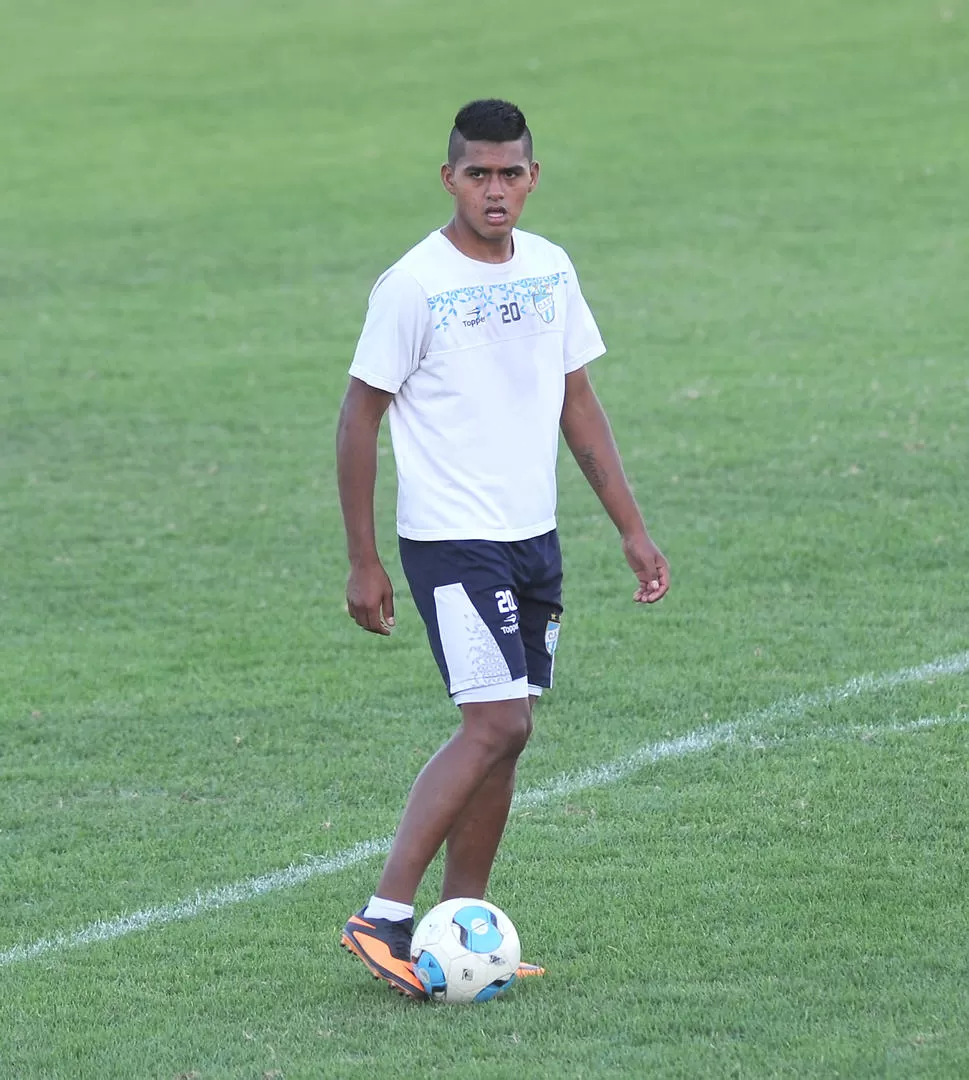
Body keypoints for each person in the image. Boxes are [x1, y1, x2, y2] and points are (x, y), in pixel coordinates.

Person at [336, 98, 669, 1000]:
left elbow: (578, 404)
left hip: (532, 538)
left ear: (532, 177)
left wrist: (630, 529)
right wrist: (364, 561)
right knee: (498, 723)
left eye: (509, 172)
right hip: (451, 541)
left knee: (506, 739)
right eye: (477, 173)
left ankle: (460, 930)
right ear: (449, 178)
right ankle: (384, 916)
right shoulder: (413, 284)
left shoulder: (551, 269)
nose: (495, 189)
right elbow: (358, 416)